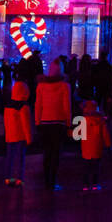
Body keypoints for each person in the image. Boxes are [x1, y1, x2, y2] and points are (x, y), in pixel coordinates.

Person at [35, 59, 72, 190]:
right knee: (56, 154)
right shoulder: (64, 86)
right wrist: (69, 123)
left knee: (47, 153)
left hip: (45, 122)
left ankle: (46, 181)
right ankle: (52, 181)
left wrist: (37, 121)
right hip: (59, 122)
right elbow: (67, 106)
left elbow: (38, 105)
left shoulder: (41, 86)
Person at [3, 77, 32, 186]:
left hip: (10, 136)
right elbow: (26, 125)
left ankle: (8, 177)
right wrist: (29, 138)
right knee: (20, 159)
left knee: (9, 157)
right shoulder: (23, 107)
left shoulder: (8, 106)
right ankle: (19, 178)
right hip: (20, 137)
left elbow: (6, 122)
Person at [79, 99, 112, 190]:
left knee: (86, 167)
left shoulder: (83, 120)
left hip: (86, 148)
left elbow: (79, 134)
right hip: (97, 147)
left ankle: (85, 184)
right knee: (96, 167)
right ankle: (95, 183)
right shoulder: (101, 121)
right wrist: (108, 145)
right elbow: (105, 134)